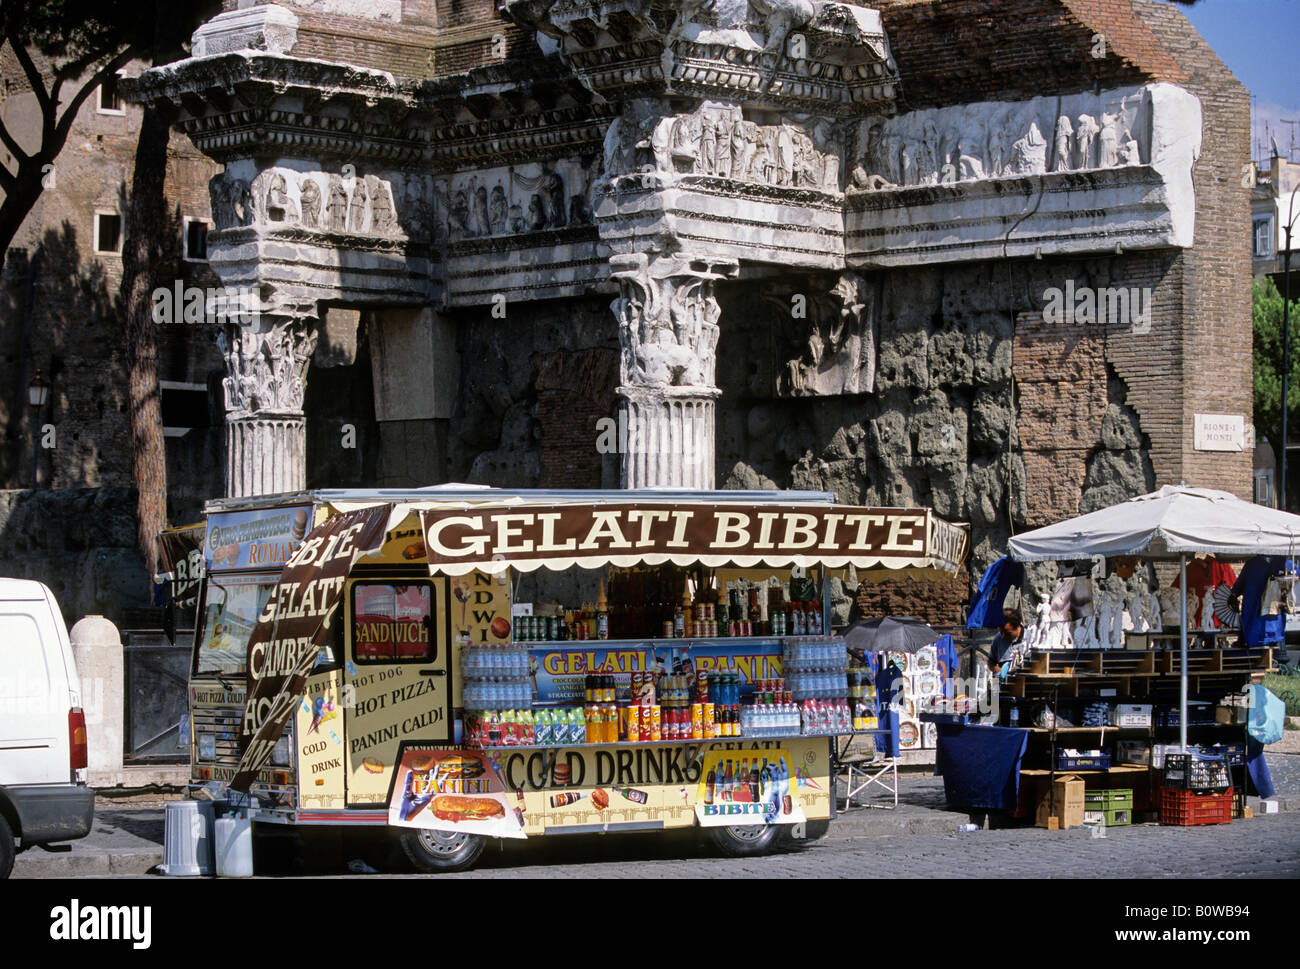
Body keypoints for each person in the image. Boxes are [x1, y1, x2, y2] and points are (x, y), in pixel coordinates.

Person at [987, 608, 1025, 676]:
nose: (1003, 636)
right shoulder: (998, 638)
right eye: (1001, 632)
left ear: (1017, 627)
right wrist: (999, 671)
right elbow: (991, 661)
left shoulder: (1029, 639)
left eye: (1008, 633)